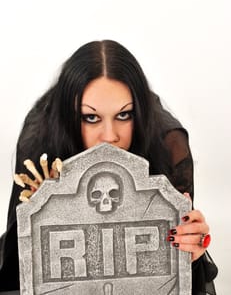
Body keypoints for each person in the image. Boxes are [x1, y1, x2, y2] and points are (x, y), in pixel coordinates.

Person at [0, 40, 217, 293]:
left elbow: (174, 272)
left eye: (124, 115)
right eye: (91, 118)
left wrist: (188, 251)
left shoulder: (168, 143)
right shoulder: (41, 142)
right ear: (71, 117)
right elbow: (19, 268)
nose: (109, 136)